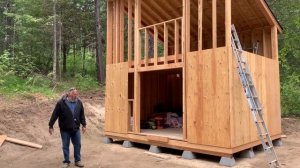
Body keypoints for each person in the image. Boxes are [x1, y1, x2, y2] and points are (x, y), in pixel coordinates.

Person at [49, 87, 86, 168]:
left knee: (77, 144)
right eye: (74, 93)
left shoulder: (79, 102)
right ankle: (66, 161)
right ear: (69, 94)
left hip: (76, 128)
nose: (75, 95)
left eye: (76, 94)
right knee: (65, 146)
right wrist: (51, 125)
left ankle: (78, 160)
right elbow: (55, 114)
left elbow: (82, 114)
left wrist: (84, 125)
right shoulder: (61, 103)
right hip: (65, 129)